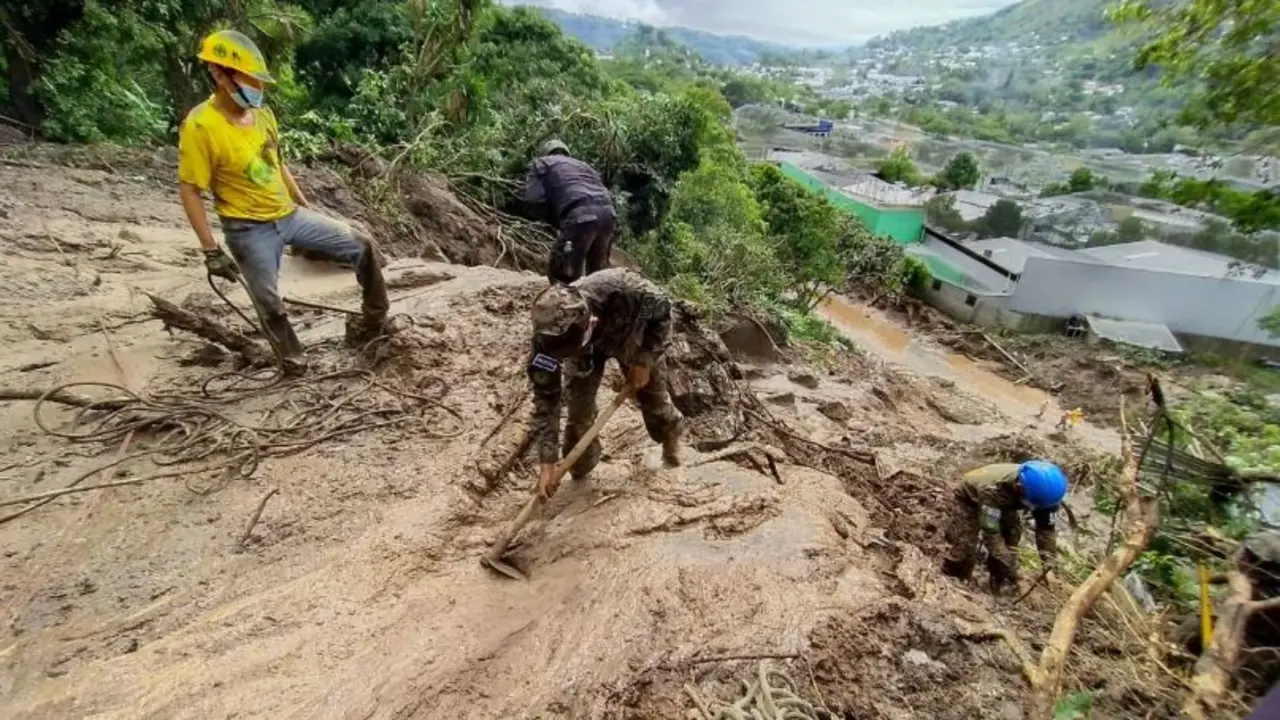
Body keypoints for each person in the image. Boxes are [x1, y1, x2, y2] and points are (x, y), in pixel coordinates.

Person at [177, 29, 389, 366]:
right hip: (248, 229)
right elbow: (190, 189)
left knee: (362, 245)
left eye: (258, 81)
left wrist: (304, 207)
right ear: (219, 74)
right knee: (268, 302)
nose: (257, 88)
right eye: (249, 80)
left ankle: (374, 321)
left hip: (288, 215)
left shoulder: (263, 116)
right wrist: (210, 250)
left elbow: (277, 163)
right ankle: (292, 361)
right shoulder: (201, 126)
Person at [525, 268, 684, 499]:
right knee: (579, 413)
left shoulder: (629, 291)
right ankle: (579, 465)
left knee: (653, 397)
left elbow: (662, 314)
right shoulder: (547, 342)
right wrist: (547, 461)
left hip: (631, 335)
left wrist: (645, 359)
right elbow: (545, 400)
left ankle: (671, 439)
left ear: (592, 321)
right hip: (586, 356)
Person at [941, 459, 1067, 593]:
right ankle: (955, 577)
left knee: (1012, 535)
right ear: (1019, 486)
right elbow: (991, 534)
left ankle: (999, 580)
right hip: (970, 497)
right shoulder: (993, 490)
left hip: (1008, 500)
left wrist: (1050, 568)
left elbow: (1046, 532)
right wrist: (1015, 571)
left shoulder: (1048, 497)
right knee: (965, 545)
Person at [522, 139, 618, 285]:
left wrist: (552, 219)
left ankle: (563, 297)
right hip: (609, 216)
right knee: (598, 278)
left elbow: (533, 200)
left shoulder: (542, 163)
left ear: (546, 153)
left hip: (579, 215)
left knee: (562, 273)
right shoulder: (585, 167)